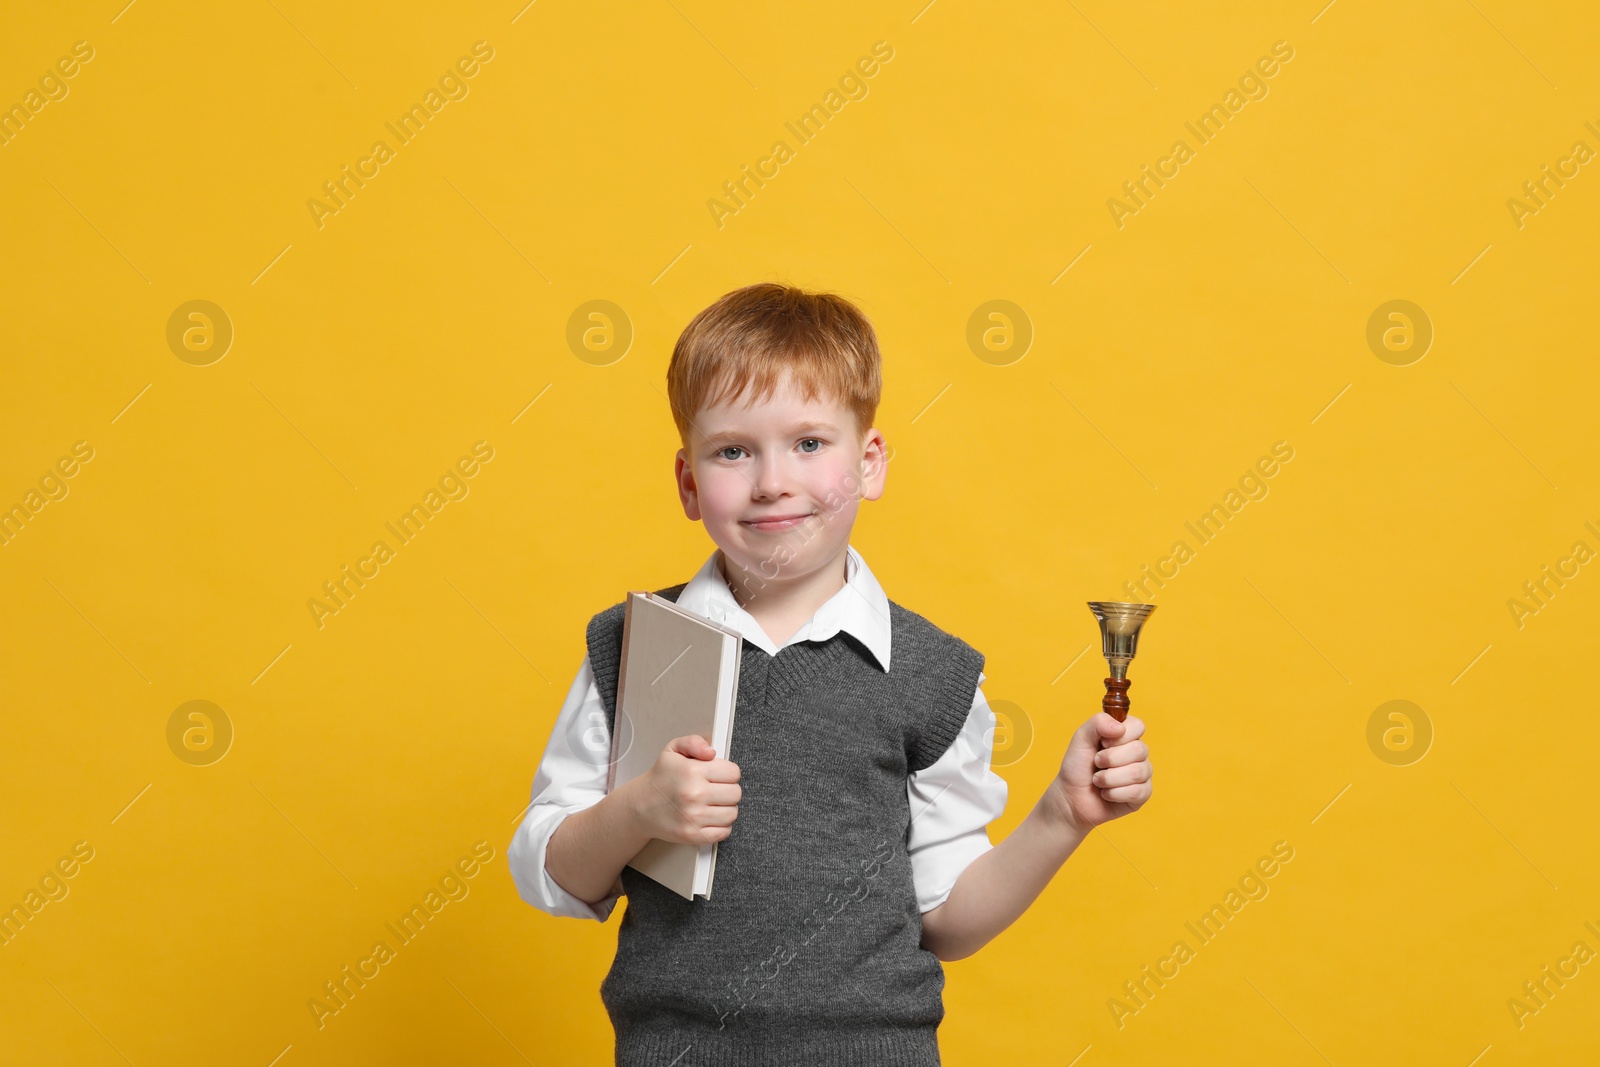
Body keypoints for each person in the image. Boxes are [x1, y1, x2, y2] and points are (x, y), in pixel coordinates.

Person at [507, 282, 1154, 1065]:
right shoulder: (633, 645)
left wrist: (1061, 816)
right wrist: (639, 809)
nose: (773, 479)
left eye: (809, 443)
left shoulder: (931, 673)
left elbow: (946, 917)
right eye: (733, 450)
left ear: (869, 462)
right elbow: (550, 868)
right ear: (688, 481)